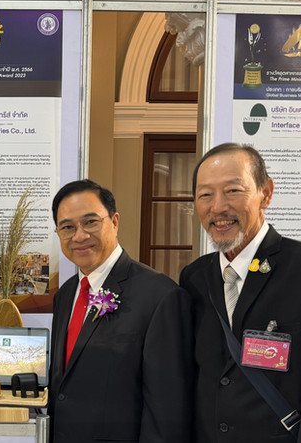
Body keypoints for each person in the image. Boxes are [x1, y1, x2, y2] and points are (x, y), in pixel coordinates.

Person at [180, 143, 301, 442]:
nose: (218, 207)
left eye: (233, 191)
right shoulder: (194, 278)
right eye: (205, 195)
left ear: (266, 193)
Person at [47, 179, 193, 442]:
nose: (79, 236)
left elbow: (167, 411)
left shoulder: (161, 296)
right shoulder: (65, 294)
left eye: (90, 222)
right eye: (67, 227)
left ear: (114, 222)